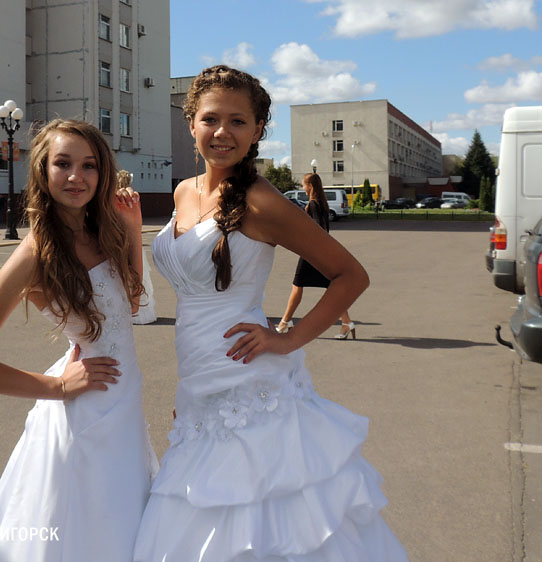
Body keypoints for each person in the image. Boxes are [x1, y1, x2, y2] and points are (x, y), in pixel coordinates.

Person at [133, 66, 407, 561]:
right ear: (191, 123)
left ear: (257, 130)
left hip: (248, 380)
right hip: (198, 381)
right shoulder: (183, 191)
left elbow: (351, 275)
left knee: (255, 516)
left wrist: (288, 338)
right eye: (210, 119)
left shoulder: (263, 201)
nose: (222, 132)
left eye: (238, 121)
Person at [0, 119, 156, 561]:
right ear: (42, 170)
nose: (77, 176)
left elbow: (132, 305)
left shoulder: (106, 232)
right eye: (63, 163)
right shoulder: (34, 253)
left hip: (124, 405)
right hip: (84, 417)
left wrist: (133, 230)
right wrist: (56, 386)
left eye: (89, 165)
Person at [276, 173, 357, 339]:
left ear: (310, 186)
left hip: (312, 253)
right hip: (320, 252)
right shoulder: (322, 203)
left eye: (304, 185)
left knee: (297, 284)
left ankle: (285, 322)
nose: (303, 188)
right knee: (330, 287)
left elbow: (319, 228)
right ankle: (346, 322)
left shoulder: (313, 204)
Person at [117, 170, 157, 325]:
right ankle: (141, 308)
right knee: (139, 273)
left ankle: (134, 307)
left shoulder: (122, 196)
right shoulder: (131, 195)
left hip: (125, 239)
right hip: (133, 239)